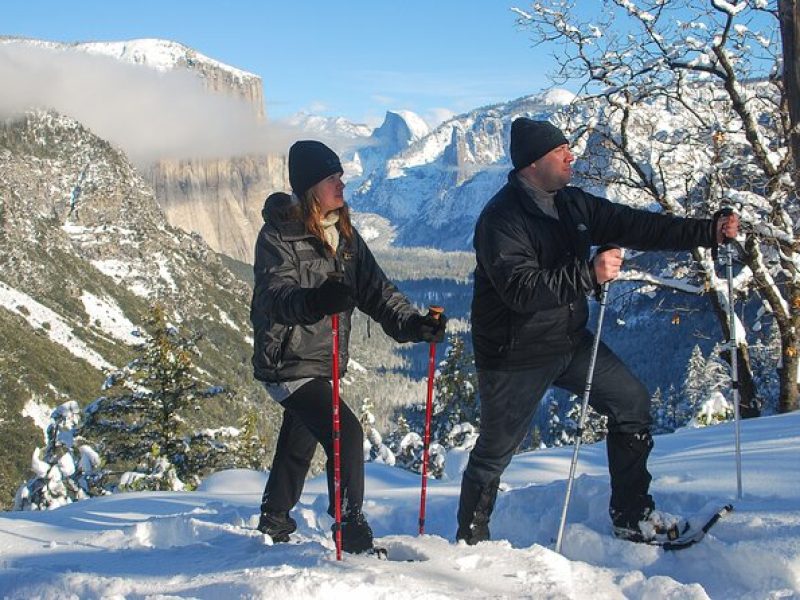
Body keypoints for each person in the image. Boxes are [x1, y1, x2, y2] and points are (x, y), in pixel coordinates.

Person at [456, 118, 739, 545]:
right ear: (533, 163)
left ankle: (632, 515)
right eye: (561, 152)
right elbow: (521, 290)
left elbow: (638, 225)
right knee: (495, 452)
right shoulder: (502, 218)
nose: (572, 156)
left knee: (632, 403)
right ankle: (470, 541)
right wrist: (589, 274)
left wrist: (707, 232)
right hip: (515, 353)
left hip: (568, 339)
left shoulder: (571, 204)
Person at [250, 140, 446, 554]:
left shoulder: (345, 235)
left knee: (302, 436)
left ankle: (274, 518)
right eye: (331, 177)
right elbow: (275, 296)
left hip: (322, 361)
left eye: (340, 175)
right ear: (309, 188)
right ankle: (351, 529)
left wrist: (414, 325)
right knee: (346, 433)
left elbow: (378, 293)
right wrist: (316, 302)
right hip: (288, 359)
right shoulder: (278, 236)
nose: (342, 183)